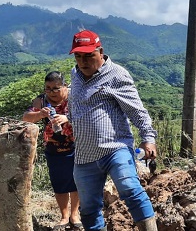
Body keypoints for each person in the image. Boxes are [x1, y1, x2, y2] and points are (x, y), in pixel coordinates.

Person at [67, 29, 158, 231]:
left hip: (115, 149)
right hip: (84, 155)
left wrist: (148, 137)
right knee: (89, 208)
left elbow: (136, 110)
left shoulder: (117, 74)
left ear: (100, 51)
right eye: (78, 56)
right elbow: (75, 104)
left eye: (89, 55)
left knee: (130, 189)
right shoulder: (75, 74)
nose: (83, 62)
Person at [22, 71, 81, 230]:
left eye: (56, 88)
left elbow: (87, 114)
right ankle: (64, 216)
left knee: (77, 181)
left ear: (65, 86)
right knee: (59, 182)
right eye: (48, 88)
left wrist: (68, 118)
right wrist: (39, 114)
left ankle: (75, 215)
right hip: (53, 148)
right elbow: (26, 117)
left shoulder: (74, 97)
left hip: (78, 146)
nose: (52, 92)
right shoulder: (41, 100)